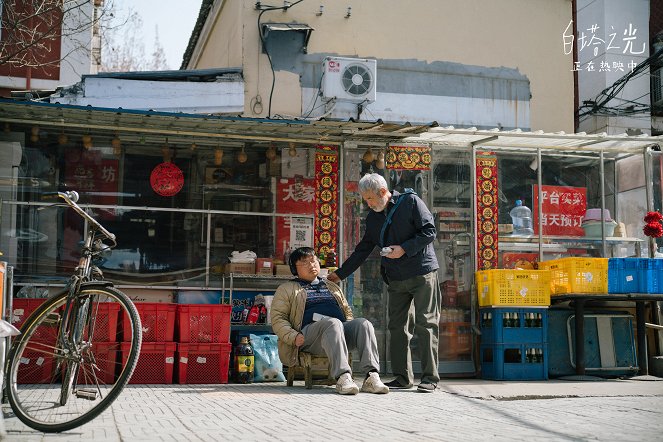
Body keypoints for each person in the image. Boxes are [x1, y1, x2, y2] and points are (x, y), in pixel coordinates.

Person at [328, 173, 440, 393]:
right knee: (397, 327)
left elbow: (429, 231)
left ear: (382, 192)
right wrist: (340, 274)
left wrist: (404, 248)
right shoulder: (373, 218)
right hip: (396, 277)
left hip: (422, 272)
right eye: (365, 200)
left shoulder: (411, 202)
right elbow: (363, 249)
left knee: (426, 324)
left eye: (370, 198)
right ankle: (402, 377)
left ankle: (430, 378)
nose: (368, 204)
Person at [270, 246, 389, 395]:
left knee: (363, 324)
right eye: (305, 262)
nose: (311, 265)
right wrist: (293, 336)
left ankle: (371, 376)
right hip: (309, 337)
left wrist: (347, 325)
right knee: (333, 323)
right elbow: (278, 319)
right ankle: (343, 377)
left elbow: (347, 311)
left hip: (337, 333)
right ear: (295, 268)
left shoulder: (331, 286)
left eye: (313, 260)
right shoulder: (287, 289)